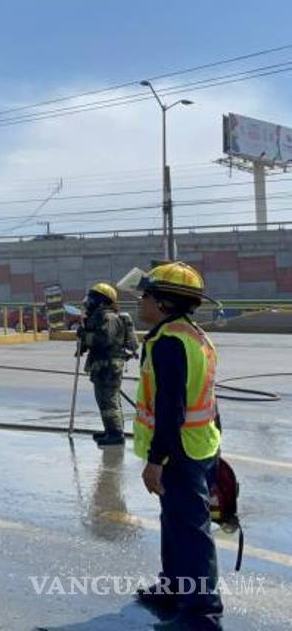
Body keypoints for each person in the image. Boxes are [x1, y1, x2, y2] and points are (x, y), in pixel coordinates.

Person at [132, 261, 223, 631]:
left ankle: (201, 614)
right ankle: (173, 588)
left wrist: (156, 461)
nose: (141, 301)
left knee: (190, 531)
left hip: (180, 451)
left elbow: (172, 408)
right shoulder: (194, 334)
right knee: (176, 522)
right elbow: (210, 397)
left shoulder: (169, 342)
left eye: (147, 295)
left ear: (164, 303)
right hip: (201, 445)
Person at [77, 282, 137, 446]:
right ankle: (111, 430)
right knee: (105, 400)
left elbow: (103, 340)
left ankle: (116, 434)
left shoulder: (108, 317)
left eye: (92, 299)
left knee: (108, 400)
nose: (88, 302)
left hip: (109, 366)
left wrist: (86, 336)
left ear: (102, 301)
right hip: (103, 365)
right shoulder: (99, 316)